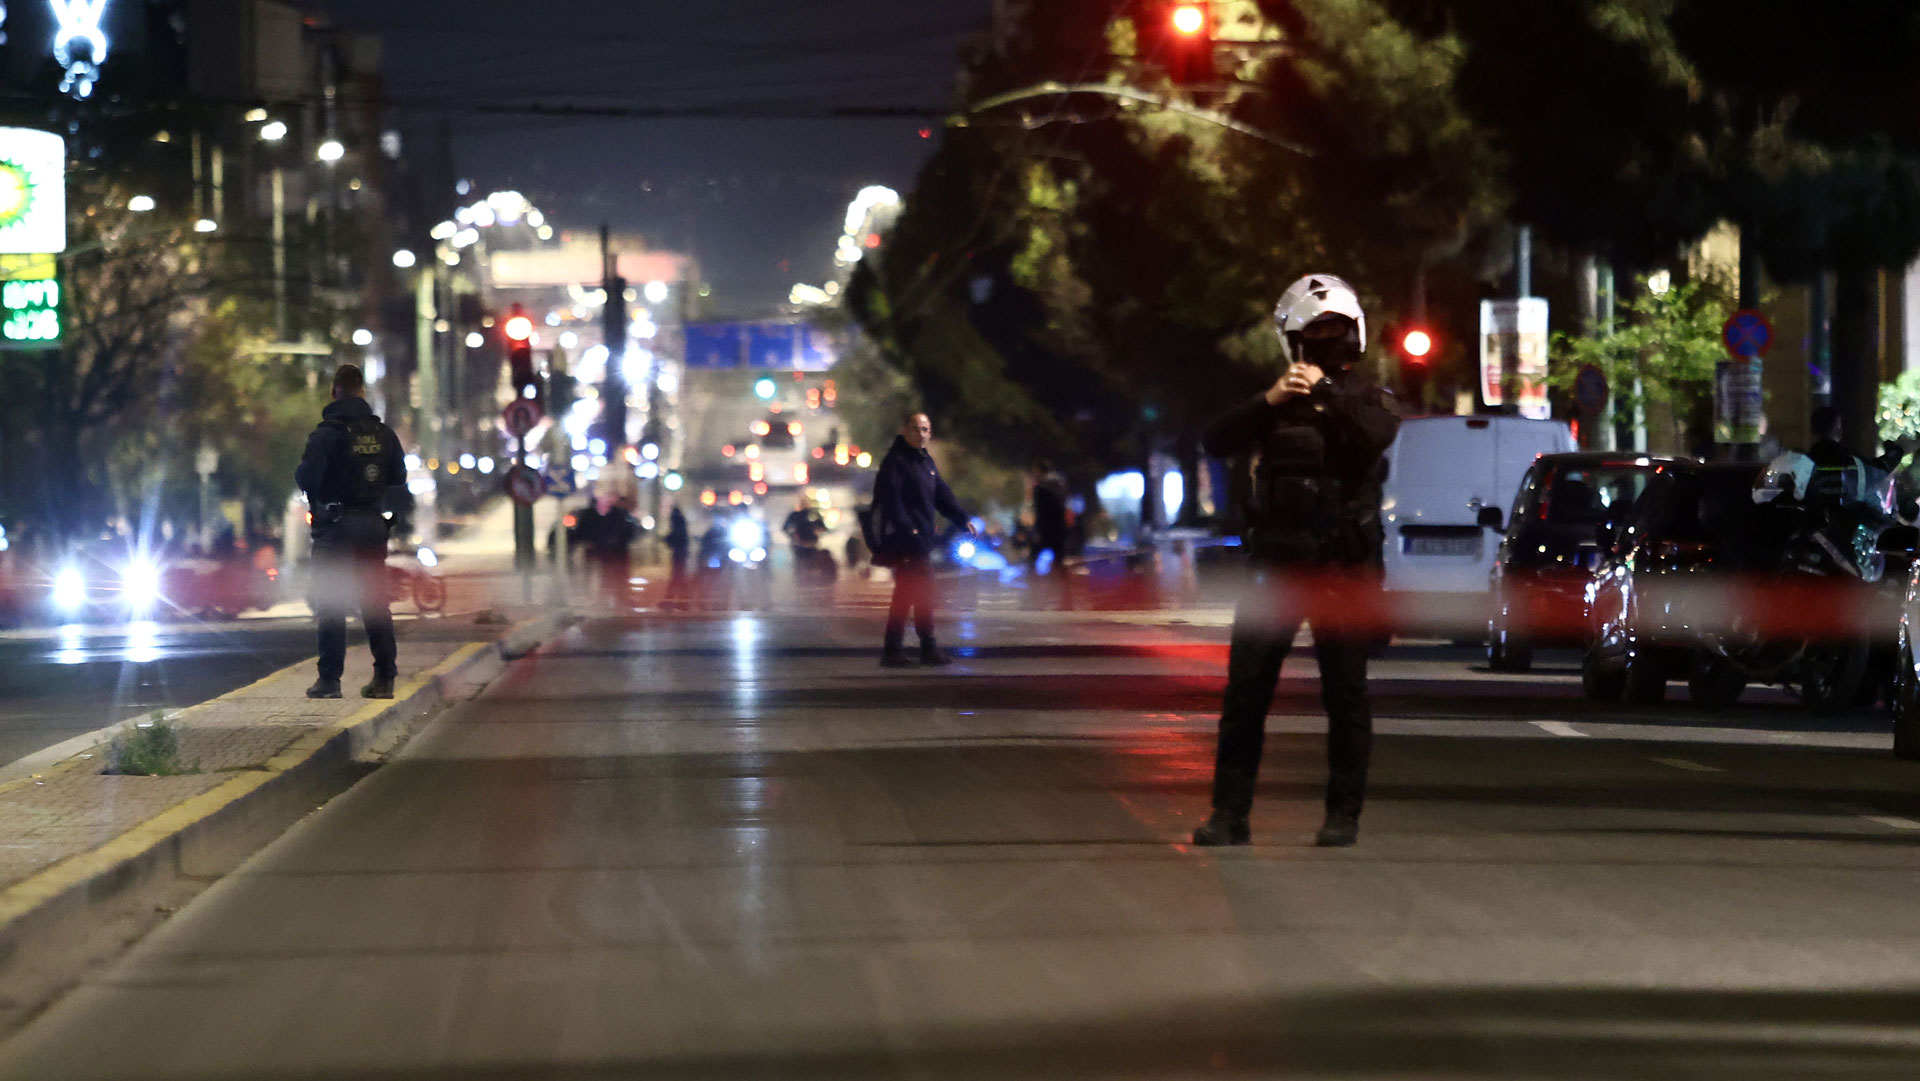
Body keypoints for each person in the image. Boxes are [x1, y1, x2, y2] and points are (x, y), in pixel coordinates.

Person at [1190, 275, 1401, 849]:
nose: (1329, 341)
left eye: (1337, 330)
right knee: (1245, 693)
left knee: (1346, 695)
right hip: (1276, 569)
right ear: (1295, 340)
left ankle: (1342, 815)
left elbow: (1372, 437)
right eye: (1317, 332)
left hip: (1339, 567)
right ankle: (1228, 815)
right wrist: (1271, 399)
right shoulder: (1277, 403)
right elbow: (1214, 439)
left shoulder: (1368, 398)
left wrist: (1327, 394)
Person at [295, 364, 407, 700]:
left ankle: (330, 681)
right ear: (361, 392)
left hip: (335, 529)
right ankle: (384, 679)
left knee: (332, 604)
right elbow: (398, 476)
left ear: (334, 391)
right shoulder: (383, 433)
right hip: (372, 526)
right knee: (375, 602)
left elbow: (306, 478)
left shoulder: (326, 434)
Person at [870, 412, 977, 667]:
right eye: (917, 429)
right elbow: (892, 502)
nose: (922, 434)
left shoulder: (924, 461)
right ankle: (916, 648)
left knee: (910, 594)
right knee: (916, 592)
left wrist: (962, 520)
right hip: (905, 541)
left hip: (921, 540)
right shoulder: (896, 462)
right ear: (904, 430)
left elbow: (942, 495)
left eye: (926, 430)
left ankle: (900, 649)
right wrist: (910, 530)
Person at [664, 504, 691, 605]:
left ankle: (672, 595)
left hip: (679, 551)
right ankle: (682, 596)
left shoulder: (676, 520)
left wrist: (668, 539)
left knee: (677, 573)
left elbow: (677, 535)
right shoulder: (680, 520)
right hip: (681, 550)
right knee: (679, 573)